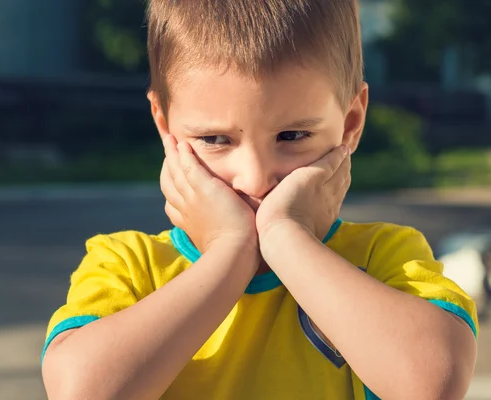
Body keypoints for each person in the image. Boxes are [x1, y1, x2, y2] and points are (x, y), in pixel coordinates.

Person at [41, 1, 478, 399]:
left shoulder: (382, 258)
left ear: (350, 124)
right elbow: (82, 391)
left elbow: (431, 384)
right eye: (215, 139)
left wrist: (286, 238)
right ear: (165, 126)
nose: (255, 178)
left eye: (292, 136)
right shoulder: (129, 264)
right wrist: (230, 252)